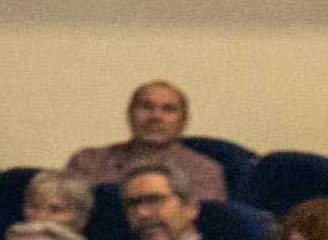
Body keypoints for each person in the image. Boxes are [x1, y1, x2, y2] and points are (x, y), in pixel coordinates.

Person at [68, 77, 229, 202]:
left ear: (183, 120)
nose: (156, 116)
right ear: (130, 114)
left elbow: (204, 229)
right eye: (146, 106)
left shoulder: (204, 172)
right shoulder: (88, 162)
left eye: (168, 109)